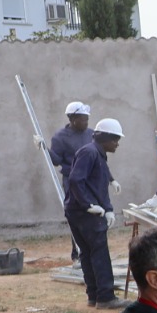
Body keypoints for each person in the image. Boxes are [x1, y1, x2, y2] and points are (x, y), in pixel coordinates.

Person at [65, 117, 131, 310]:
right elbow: (76, 180)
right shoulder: (89, 152)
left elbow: (99, 179)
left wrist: (111, 183)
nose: (117, 144)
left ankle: (93, 295)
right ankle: (105, 297)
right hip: (85, 213)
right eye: (115, 139)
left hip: (79, 211)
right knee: (99, 253)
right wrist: (88, 205)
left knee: (87, 253)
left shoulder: (96, 153)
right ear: (106, 139)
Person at [48, 101, 95, 261]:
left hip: (91, 180)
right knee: (76, 216)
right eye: (83, 119)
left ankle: (93, 251)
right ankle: (77, 253)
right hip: (72, 181)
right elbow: (56, 160)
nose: (86, 122)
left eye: (87, 119)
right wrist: (44, 149)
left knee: (94, 216)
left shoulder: (91, 134)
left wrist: (110, 179)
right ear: (73, 119)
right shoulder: (60, 138)